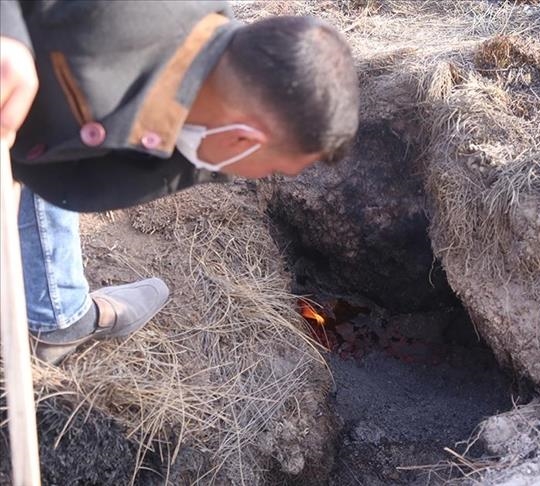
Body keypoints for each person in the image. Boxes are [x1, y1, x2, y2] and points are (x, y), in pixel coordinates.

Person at [0, 1, 359, 363]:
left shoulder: (191, 113)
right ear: (242, 140)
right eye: (274, 168)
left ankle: (57, 315)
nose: (264, 178)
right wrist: (8, 31)